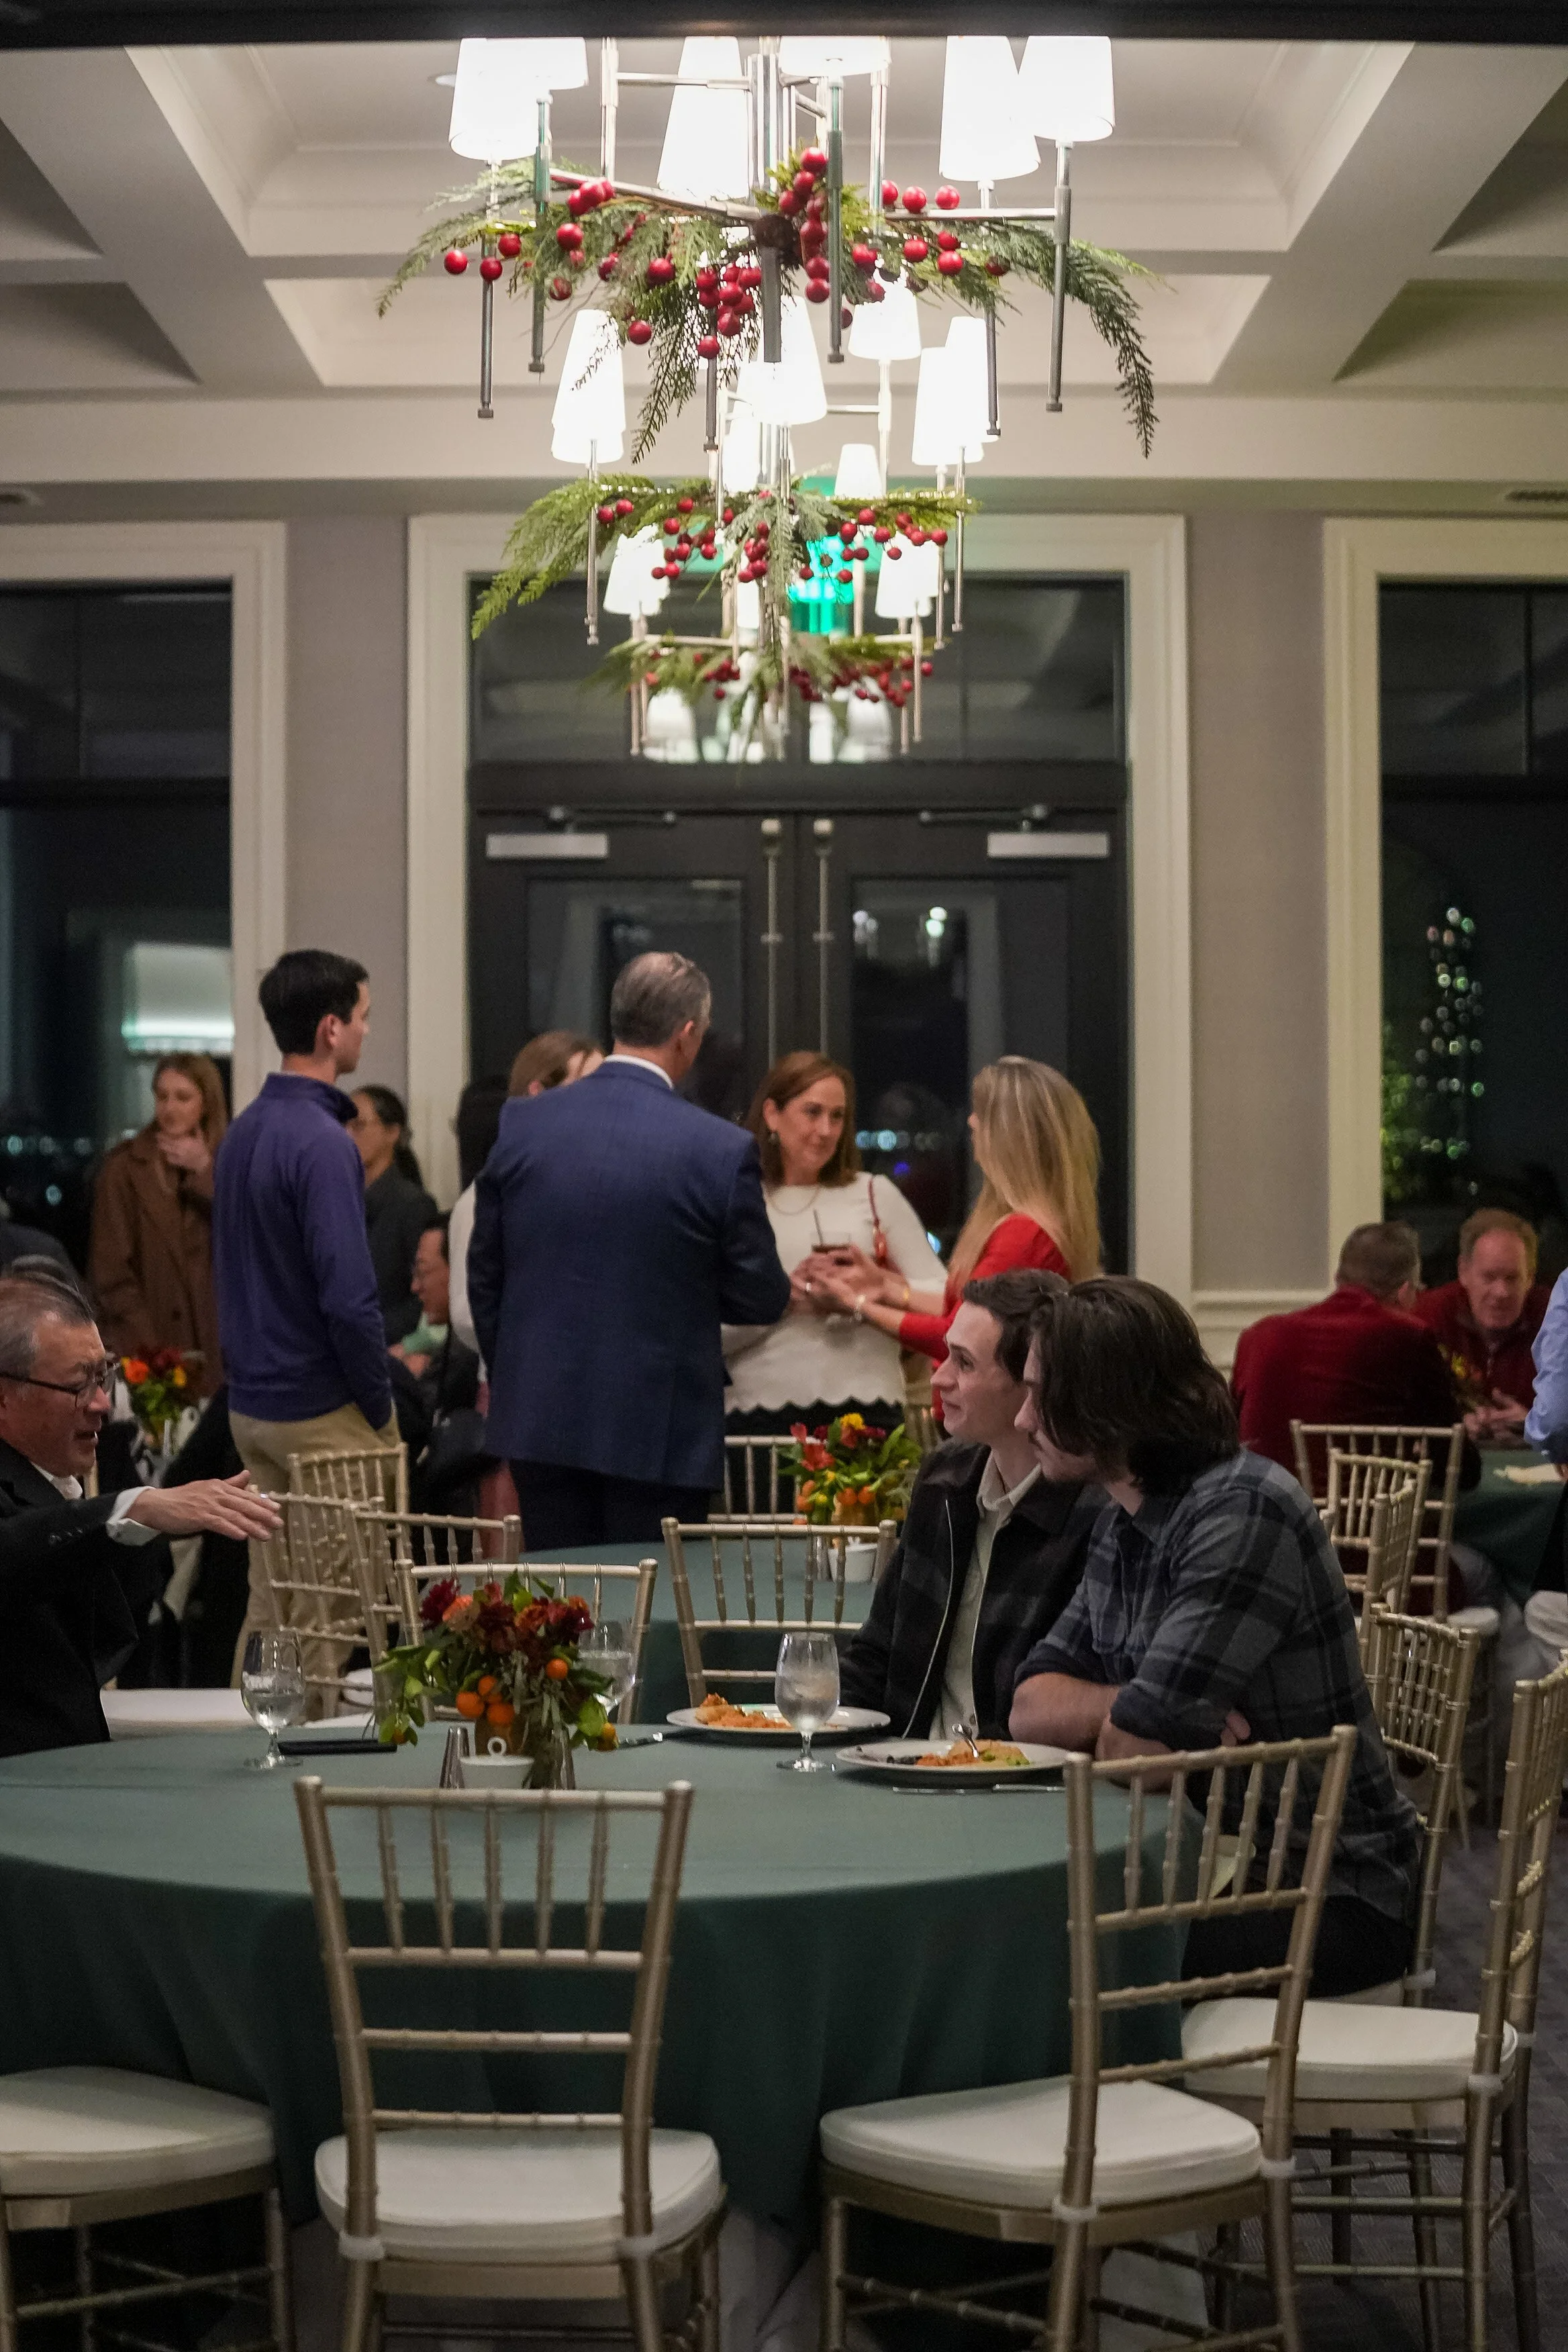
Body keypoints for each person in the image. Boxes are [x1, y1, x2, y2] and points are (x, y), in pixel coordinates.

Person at [1010, 1277, 1420, 1998]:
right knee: (1029, 1934)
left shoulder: (1240, 1512)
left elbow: (1136, 1758)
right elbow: (1027, 1708)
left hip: (1326, 1892)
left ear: (1102, 1401)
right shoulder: (1123, 1514)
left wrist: (1135, 1727)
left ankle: (1115, 2111)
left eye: (1040, 1394)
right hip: (1210, 1866)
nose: (1021, 1418)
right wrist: (1132, 1709)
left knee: (1059, 1958)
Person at [468, 951, 789, 1549]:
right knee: (655, 1617)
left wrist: (520, 1369)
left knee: (558, 1614)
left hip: (542, 1415)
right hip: (660, 1426)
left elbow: (486, 1274)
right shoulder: (717, 1149)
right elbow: (763, 1294)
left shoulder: (523, 1124)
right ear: (688, 1034)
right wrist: (685, 1283)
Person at [0, 1270, 281, 1755]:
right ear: (6, 1395)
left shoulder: (85, 1465)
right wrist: (135, 1508)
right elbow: (14, 1552)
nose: (103, 1404)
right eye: (78, 1386)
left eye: (103, 1376)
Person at [212, 950, 399, 1669]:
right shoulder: (323, 1141)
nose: (364, 1032)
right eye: (362, 1018)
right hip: (318, 1412)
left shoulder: (245, 1130)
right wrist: (379, 1408)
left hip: (252, 1402)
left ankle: (249, 1761)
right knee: (329, 1617)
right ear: (329, 1029)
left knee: (270, 1609)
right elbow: (349, 1299)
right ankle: (303, 1782)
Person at [839, 1270, 1101, 1739]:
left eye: (963, 1363)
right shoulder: (946, 1477)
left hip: (1017, 1782)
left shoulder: (1091, 1510)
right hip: (907, 1765)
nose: (939, 1378)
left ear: (1031, 1382)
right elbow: (876, 1655)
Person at [808, 1057, 1101, 1373]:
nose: (972, 1122)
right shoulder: (1036, 1223)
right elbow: (966, 1313)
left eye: (984, 1114)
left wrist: (857, 1305)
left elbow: (956, 1336)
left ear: (1011, 1134)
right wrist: (885, 1287)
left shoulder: (1024, 1233)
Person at [724, 1051, 944, 1436]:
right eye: (812, 1112)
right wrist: (783, 1297)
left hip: (869, 1411)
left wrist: (877, 1285)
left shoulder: (875, 1194)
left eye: (837, 1116)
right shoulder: (738, 1201)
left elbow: (945, 1299)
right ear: (773, 1115)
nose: (826, 1130)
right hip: (760, 1416)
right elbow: (704, 1332)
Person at [1231, 1221, 1464, 1473]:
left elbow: (1230, 1435)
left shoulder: (1258, 1336)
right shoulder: (1408, 1337)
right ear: (1405, 1292)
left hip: (1258, 1504)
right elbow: (1458, 1463)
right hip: (1363, 1510)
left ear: (1338, 1280)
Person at [448, 1036, 603, 1357]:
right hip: (517, 1379)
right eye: (588, 1087)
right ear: (538, 1094)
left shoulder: (605, 1186)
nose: (604, 1102)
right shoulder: (483, 1198)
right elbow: (467, 1317)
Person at [87, 1052, 228, 1395]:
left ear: (206, 1103)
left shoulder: (230, 1163)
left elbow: (254, 1241)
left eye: (183, 1097)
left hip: (220, 1351)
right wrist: (150, 1351)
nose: (170, 1108)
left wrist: (205, 1172)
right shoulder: (125, 1168)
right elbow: (111, 1274)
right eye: (162, 1096)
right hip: (148, 1352)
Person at [1415, 1208, 1549, 1442]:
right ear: (1463, 1272)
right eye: (1489, 1277)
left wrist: (1538, 1424)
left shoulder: (1557, 1322)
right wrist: (1452, 1425)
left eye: (1512, 1278)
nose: (1501, 1292)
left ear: (1530, 1278)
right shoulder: (1426, 1319)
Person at [348, 1084, 439, 1344]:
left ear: (392, 1133)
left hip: (387, 1349)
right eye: (343, 1125)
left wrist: (371, 1332)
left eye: (358, 1125)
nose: (347, 1134)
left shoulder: (413, 1205)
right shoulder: (340, 1200)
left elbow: (423, 1297)